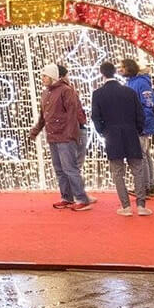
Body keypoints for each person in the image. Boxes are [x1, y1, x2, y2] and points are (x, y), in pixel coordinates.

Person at [29, 63, 93, 211]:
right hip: (53, 136)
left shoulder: (66, 91)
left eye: (45, 76)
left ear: (53, 76)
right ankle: (67, 197)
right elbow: (43, 116)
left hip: (65, 137)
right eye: (42, 76)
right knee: (59, 169)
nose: (43, 78)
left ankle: (82, 199)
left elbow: (72, 114)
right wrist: (35, 131)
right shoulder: (46, 93)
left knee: (70, 168)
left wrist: (71, 135)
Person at [91, 61, 151, 216]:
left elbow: (96, 117)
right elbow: (140, 114)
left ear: (102, 73)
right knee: (137, 169)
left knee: (118, 171)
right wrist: (136, 129)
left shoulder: (98, 94)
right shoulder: (129, 92)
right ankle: (141, 205)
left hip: (112, 135)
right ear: (115, 72)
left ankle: (125, 207)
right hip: (131, 133)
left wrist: (103, 131)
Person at [119, 58, 154, 196]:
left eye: (122, 67)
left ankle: (144, 187)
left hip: (141, 124)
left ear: (129, 68)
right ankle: (150, 185)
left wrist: (141, 124)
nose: (120, 69)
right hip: (139, 123)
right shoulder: (132, 82)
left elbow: (148, 104)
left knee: (141, 155)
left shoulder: (140, 83)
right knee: (145, 154)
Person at [58, 63, 97, 205]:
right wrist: (82, 122)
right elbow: (74, 111)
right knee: (75, 165)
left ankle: (71, 195)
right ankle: (80, 195)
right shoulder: (67, 90)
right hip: (76, 130)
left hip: (66, 131)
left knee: (68, 166)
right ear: (62, 76)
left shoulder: (55, 91)